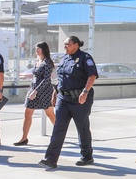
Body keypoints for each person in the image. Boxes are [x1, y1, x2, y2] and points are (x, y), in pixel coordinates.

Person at [39, 36, 98, 169]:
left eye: (67, 44)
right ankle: (51, 159)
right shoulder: (64, 58)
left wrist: (85, 92)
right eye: (64, 44)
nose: (65, 46)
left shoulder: (85, 58)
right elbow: (62, 77)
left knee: (82, 127)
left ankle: (87, 156)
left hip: (79, 100)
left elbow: (92, 75)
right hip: (63, 99)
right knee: (58, 128)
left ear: (76, 45)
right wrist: (55, 92)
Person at [14, 42, 56, 146]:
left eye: (38, 49)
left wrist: (36, 91)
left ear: (43, 49)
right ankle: (24, 138)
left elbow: (46, 79)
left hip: (45, 91)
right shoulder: (36, 61)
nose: (36, 51)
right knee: (28, 112)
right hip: (33, 88)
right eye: (36, 49)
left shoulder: (48, 62)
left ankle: (59, 134)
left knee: (50, 114)